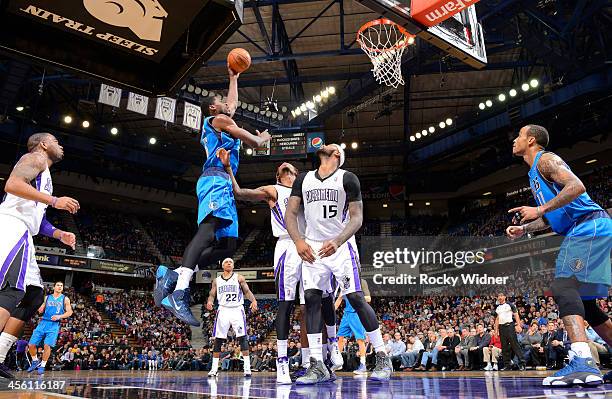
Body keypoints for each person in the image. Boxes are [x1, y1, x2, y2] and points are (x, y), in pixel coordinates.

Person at [154, 66, 271, 326]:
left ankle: (173, 275)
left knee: (227, 246)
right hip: (215, 179)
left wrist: (233, 78)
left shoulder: (223, 119)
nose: (229, 106)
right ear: (213, 109)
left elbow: (232, 103)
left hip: (225, 184)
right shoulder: (218, 121)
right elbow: (253, 142)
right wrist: (261, 138)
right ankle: (180, 292)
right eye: (222, 104)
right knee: (207, 232)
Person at [507, 124, 612, 386]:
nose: (514, 140)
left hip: (589, 224)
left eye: (519, 136)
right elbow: (554, 219)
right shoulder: (535, 174)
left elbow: (576, 186)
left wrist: (540, 207)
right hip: (586, 227)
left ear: (531, 140)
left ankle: (583, 363)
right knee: (586, 305)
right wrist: (525, 227)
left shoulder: (546, 160)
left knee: (563, 286)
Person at [286, 143, 393, 383]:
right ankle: (317, 364)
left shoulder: (348, 179)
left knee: (355, 297)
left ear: (337, 155)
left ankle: (382, 356)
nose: (325, 145)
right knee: (311, 301)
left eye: (331, 145)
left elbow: (357, 218)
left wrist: (338, 240)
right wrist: (297, 241)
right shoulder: (303, 179)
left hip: (341, 245)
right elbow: (290, 214)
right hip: (312, 246)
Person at [0, 133, 78, 378]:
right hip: (12, 227)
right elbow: (11, 184)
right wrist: (55, 201)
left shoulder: (45, 174)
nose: (61, 145)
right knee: (10, 290)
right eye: (56, 140)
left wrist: (58, 234)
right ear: (44, 144)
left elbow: (38, 218)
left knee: (33, 296)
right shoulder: (35, 158)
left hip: (25, 231)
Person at [206, 258, 257, 377]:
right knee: (218, 339)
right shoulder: (216, 280)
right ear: (223, 266)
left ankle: (247, 368)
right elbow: (212, 294)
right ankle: (214, 369)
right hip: (223, 310)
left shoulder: (239, 278)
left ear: (233, 266)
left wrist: (253, 300)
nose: (229, 263)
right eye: (227, 262)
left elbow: (247, 291)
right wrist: (210, 302)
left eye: (231, 262)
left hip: (237, 309)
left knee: (242, 337)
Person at [27, 281, 74, 374]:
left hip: (54, 324)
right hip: (43, 322)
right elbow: (41, 310)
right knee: (31, 344)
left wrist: (59, 316)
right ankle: (35, 361)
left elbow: (70, 312)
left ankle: (43, 365)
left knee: (47, 345)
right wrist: (38, 306)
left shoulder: (65, 299)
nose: (60, 287)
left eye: (61, 286)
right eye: (58, 285)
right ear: (54, 287)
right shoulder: (47, 297)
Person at [335, 278, 371, 374]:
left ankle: (363, 365)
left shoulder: (361, 282)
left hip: (357, 313)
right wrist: (329, 313)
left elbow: (368, 298)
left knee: (360, 339)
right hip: (346, 314)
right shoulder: (345, 282)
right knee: (340, 338)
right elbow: (339, 299)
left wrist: (356, 297)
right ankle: (337, 362)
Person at [493, 293, 526, 371]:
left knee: (515, 345)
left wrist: (518, 325)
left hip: (510, 326)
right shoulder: (497, 308)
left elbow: (516, 315)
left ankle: (522, 364)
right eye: (499, 296)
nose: (500, 297)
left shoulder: (510, 305)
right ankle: (507, 365)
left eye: (501, 295)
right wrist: (496, 331)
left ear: (505, 297)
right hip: (501, 328)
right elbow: (497, 320)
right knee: (504, 347)